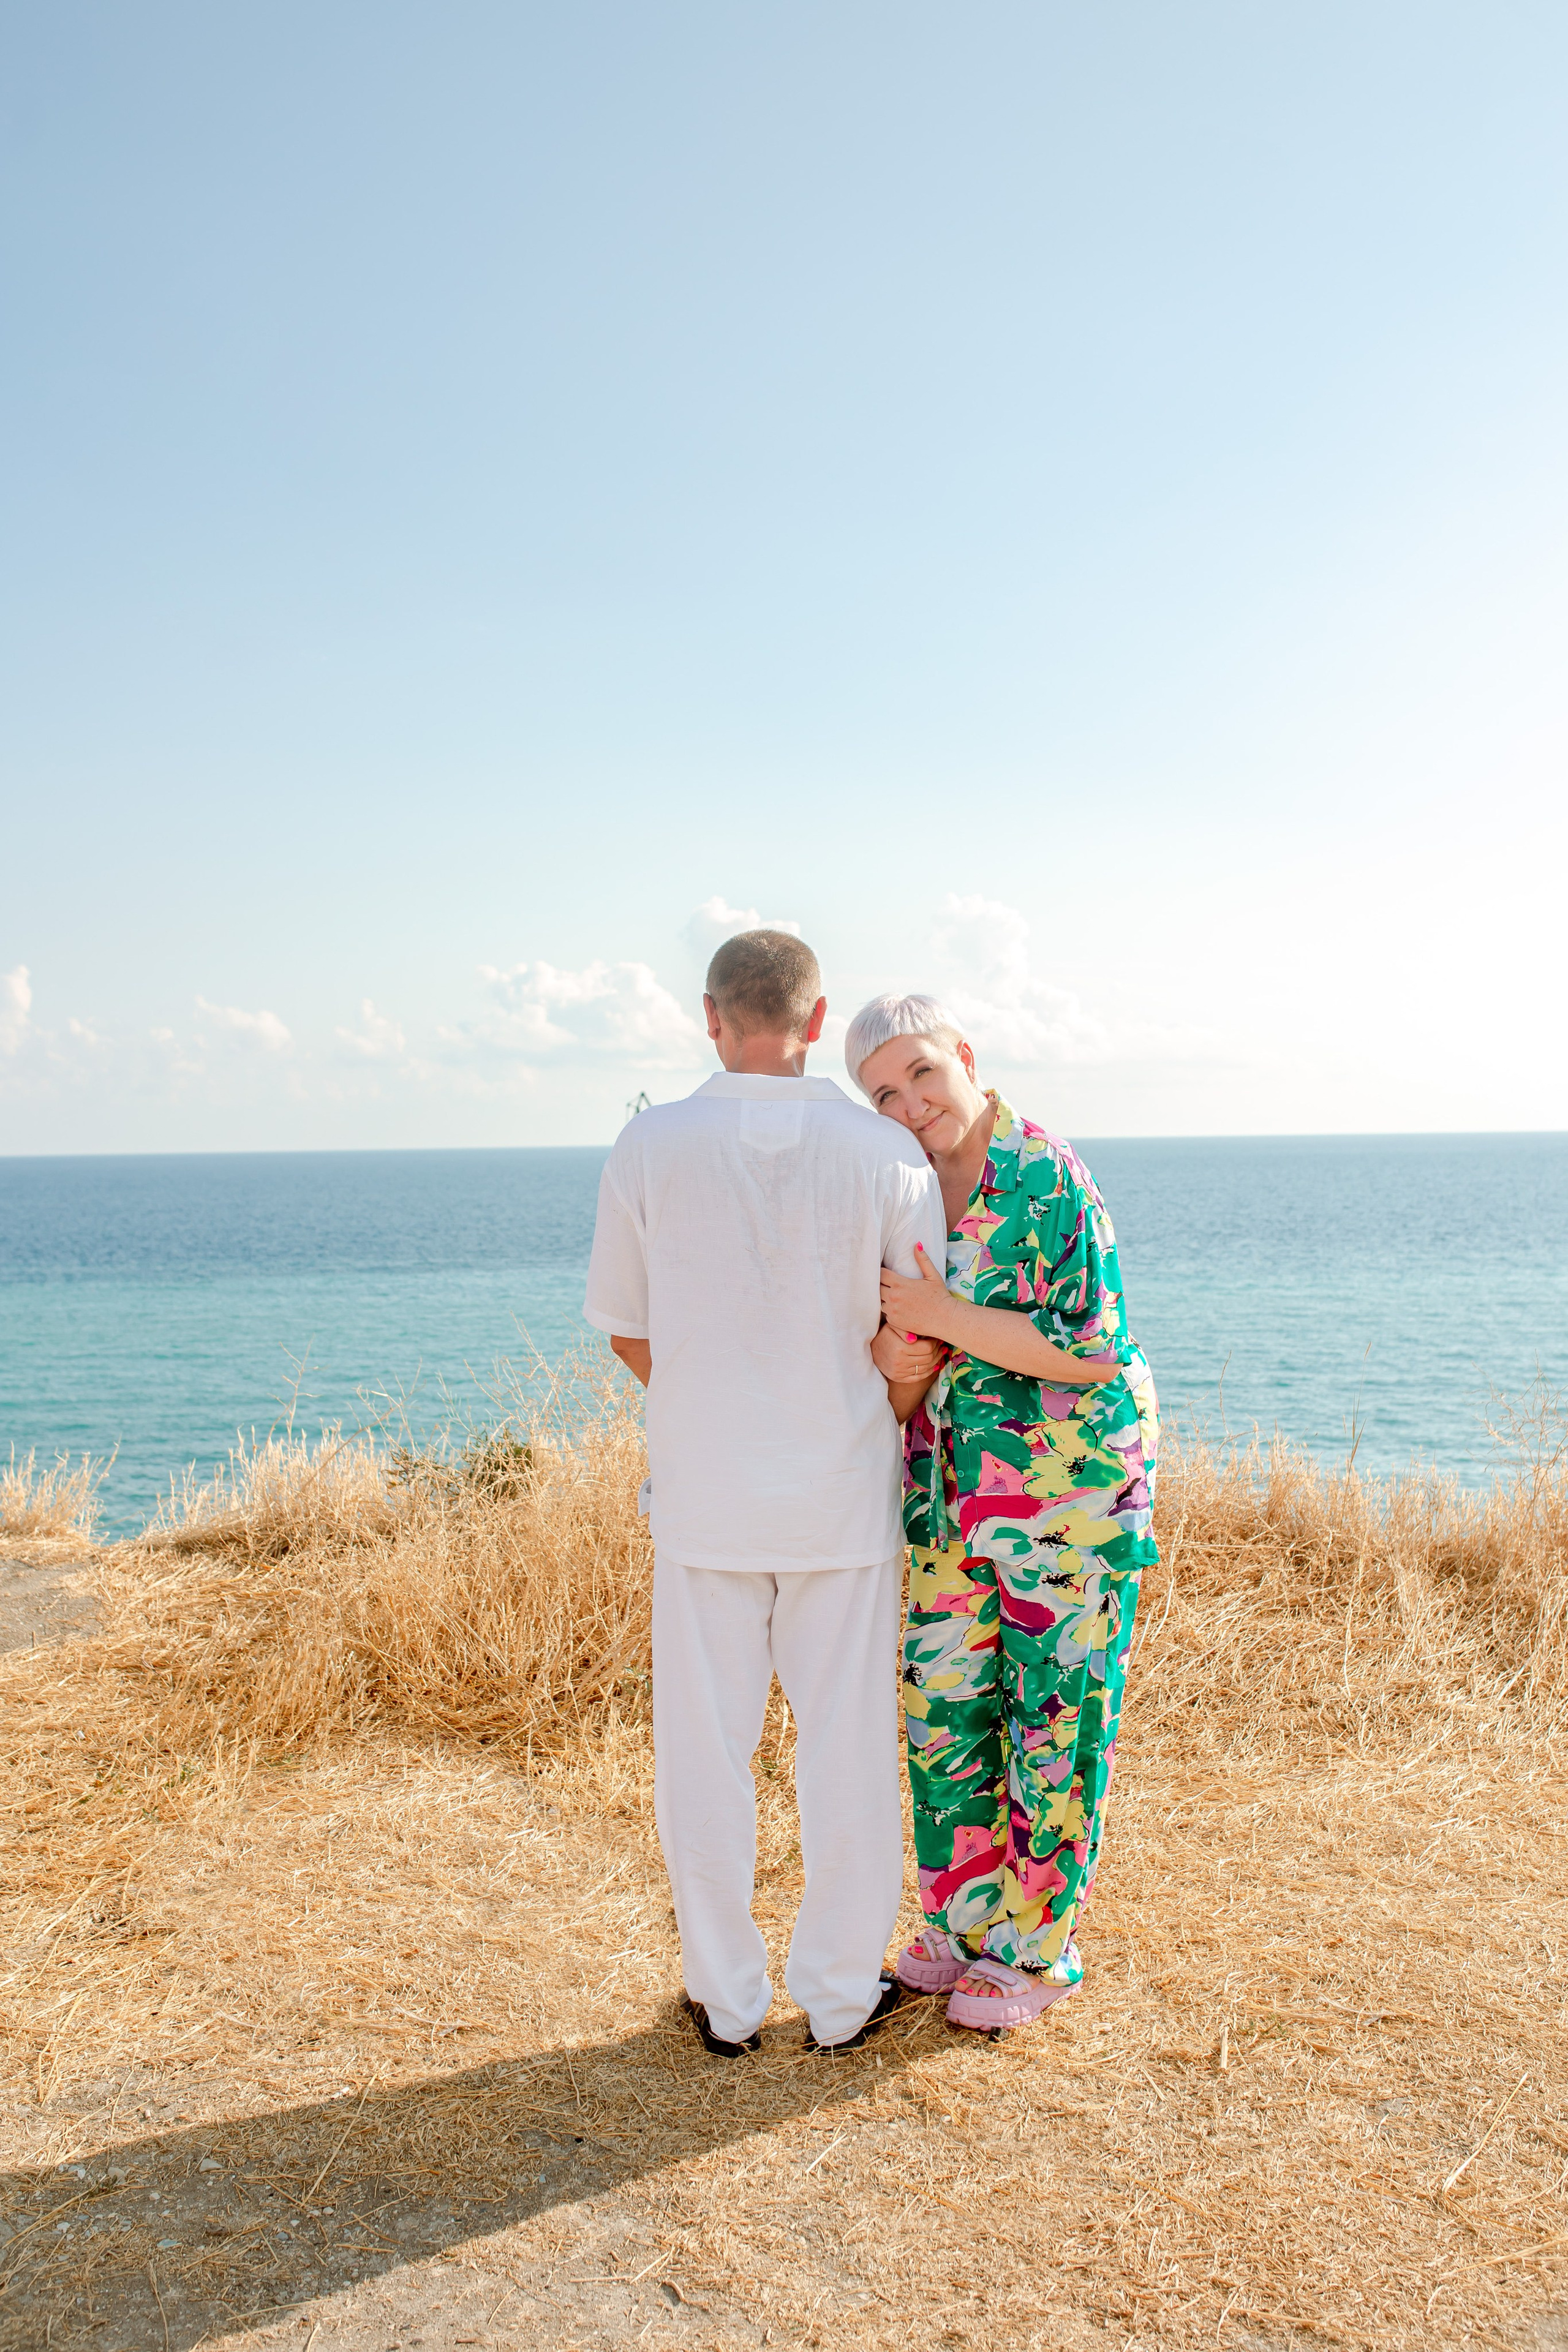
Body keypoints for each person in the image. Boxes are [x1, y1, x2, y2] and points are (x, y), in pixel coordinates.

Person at [584, 932, 946, 2059]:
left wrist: (709, 1405)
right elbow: (920, 1328)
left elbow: (629, 1329)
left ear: (710, 1016)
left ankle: (727, 2003)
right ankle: (839, 2003)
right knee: (846, 1753)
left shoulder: (648, 1145)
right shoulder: (884, 1148)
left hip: (707, 1500)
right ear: (816, 1013)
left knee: (705, 1754)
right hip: (841, 1492)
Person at [854, 994, 1159, 2035]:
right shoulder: (898, 1191)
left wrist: (940, 1317)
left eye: (922, 1075)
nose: (910, 1104)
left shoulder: (1049, 1174)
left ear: (965, 1058)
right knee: (946, 1716)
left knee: (1054, 1722)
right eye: (883, 1094)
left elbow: (1090, 1347)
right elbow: (895, 1360)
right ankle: (960, 1921)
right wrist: (901, 1360)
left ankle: (1035, 1948)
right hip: (944, 1502)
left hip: (1062, 1506)